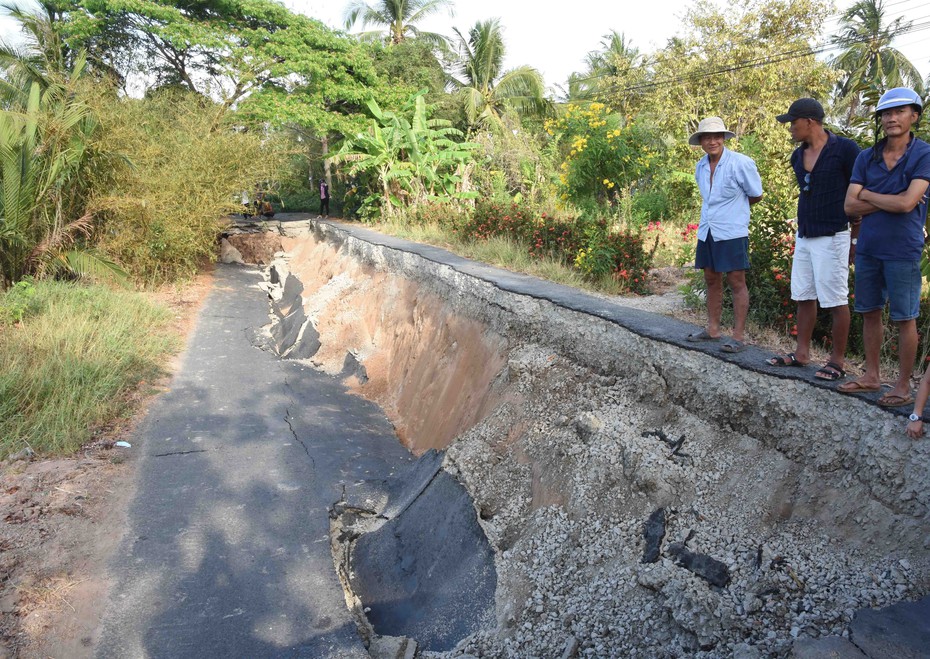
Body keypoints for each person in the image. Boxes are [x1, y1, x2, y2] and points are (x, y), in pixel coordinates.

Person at [838, 87, 930, 407]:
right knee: (869, 312)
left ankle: (903, 386)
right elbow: (850, 206)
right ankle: (872, 376)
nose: (891, 118)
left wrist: (869, 196)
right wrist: (892, 200)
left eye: (900, 111)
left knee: (905, 318)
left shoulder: (923, 154)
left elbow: (907, 204)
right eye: (886, 113)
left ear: (913, 116)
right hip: (868, 247)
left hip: (903, 248)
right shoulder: (867, 156)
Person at [766, 98, 861, 380]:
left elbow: (857, 193)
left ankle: (837, 361)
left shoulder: (845, 150)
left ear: (809, 121)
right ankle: (802, 352)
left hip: (833, 235)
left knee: (834, 299)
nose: (790, 129)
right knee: (803, 295)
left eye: (793, 123)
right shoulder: (798, 156)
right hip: (806, 234)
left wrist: (855, 240)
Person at [686, 116, 764, 353]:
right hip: (708, 229)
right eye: (707, 137)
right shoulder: (700, 165)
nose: (712, 141)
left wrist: (735, 211)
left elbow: (756, 194)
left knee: (736, 280)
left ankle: (738, 337)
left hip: (731, 231)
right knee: (711, 277)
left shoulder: (740, 163)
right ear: (701, 141)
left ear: (723, 138)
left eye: (716, 136)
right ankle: (713, 329)